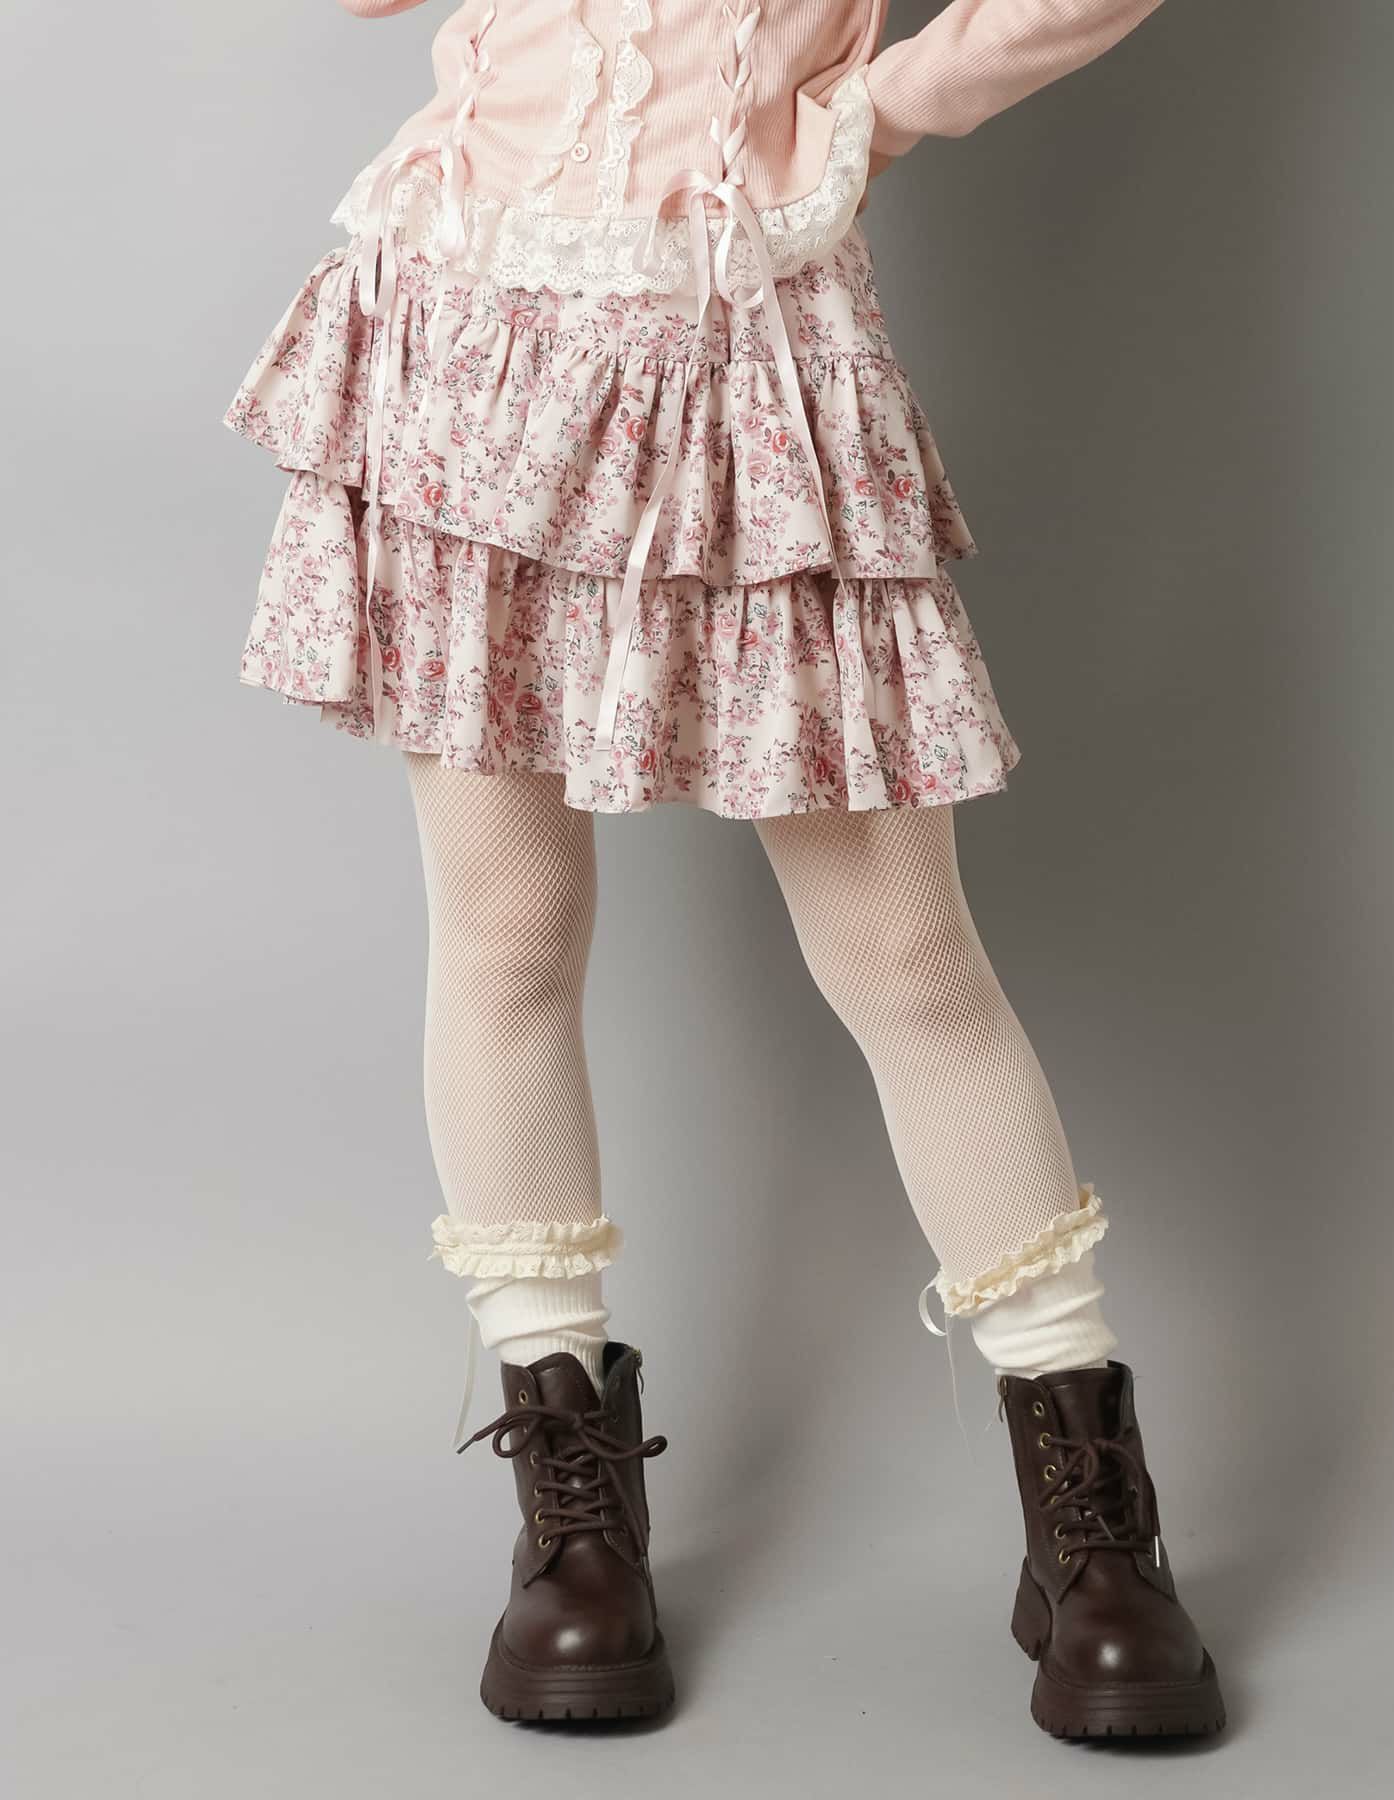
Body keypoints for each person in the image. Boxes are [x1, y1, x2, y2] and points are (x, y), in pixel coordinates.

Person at [226, 0, 1223, 1739]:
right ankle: (573, 1520)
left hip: (748, 351)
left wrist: (882, 110)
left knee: (908, 960)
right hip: (466, 326)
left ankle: (1093, 1532)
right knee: (510, 934)